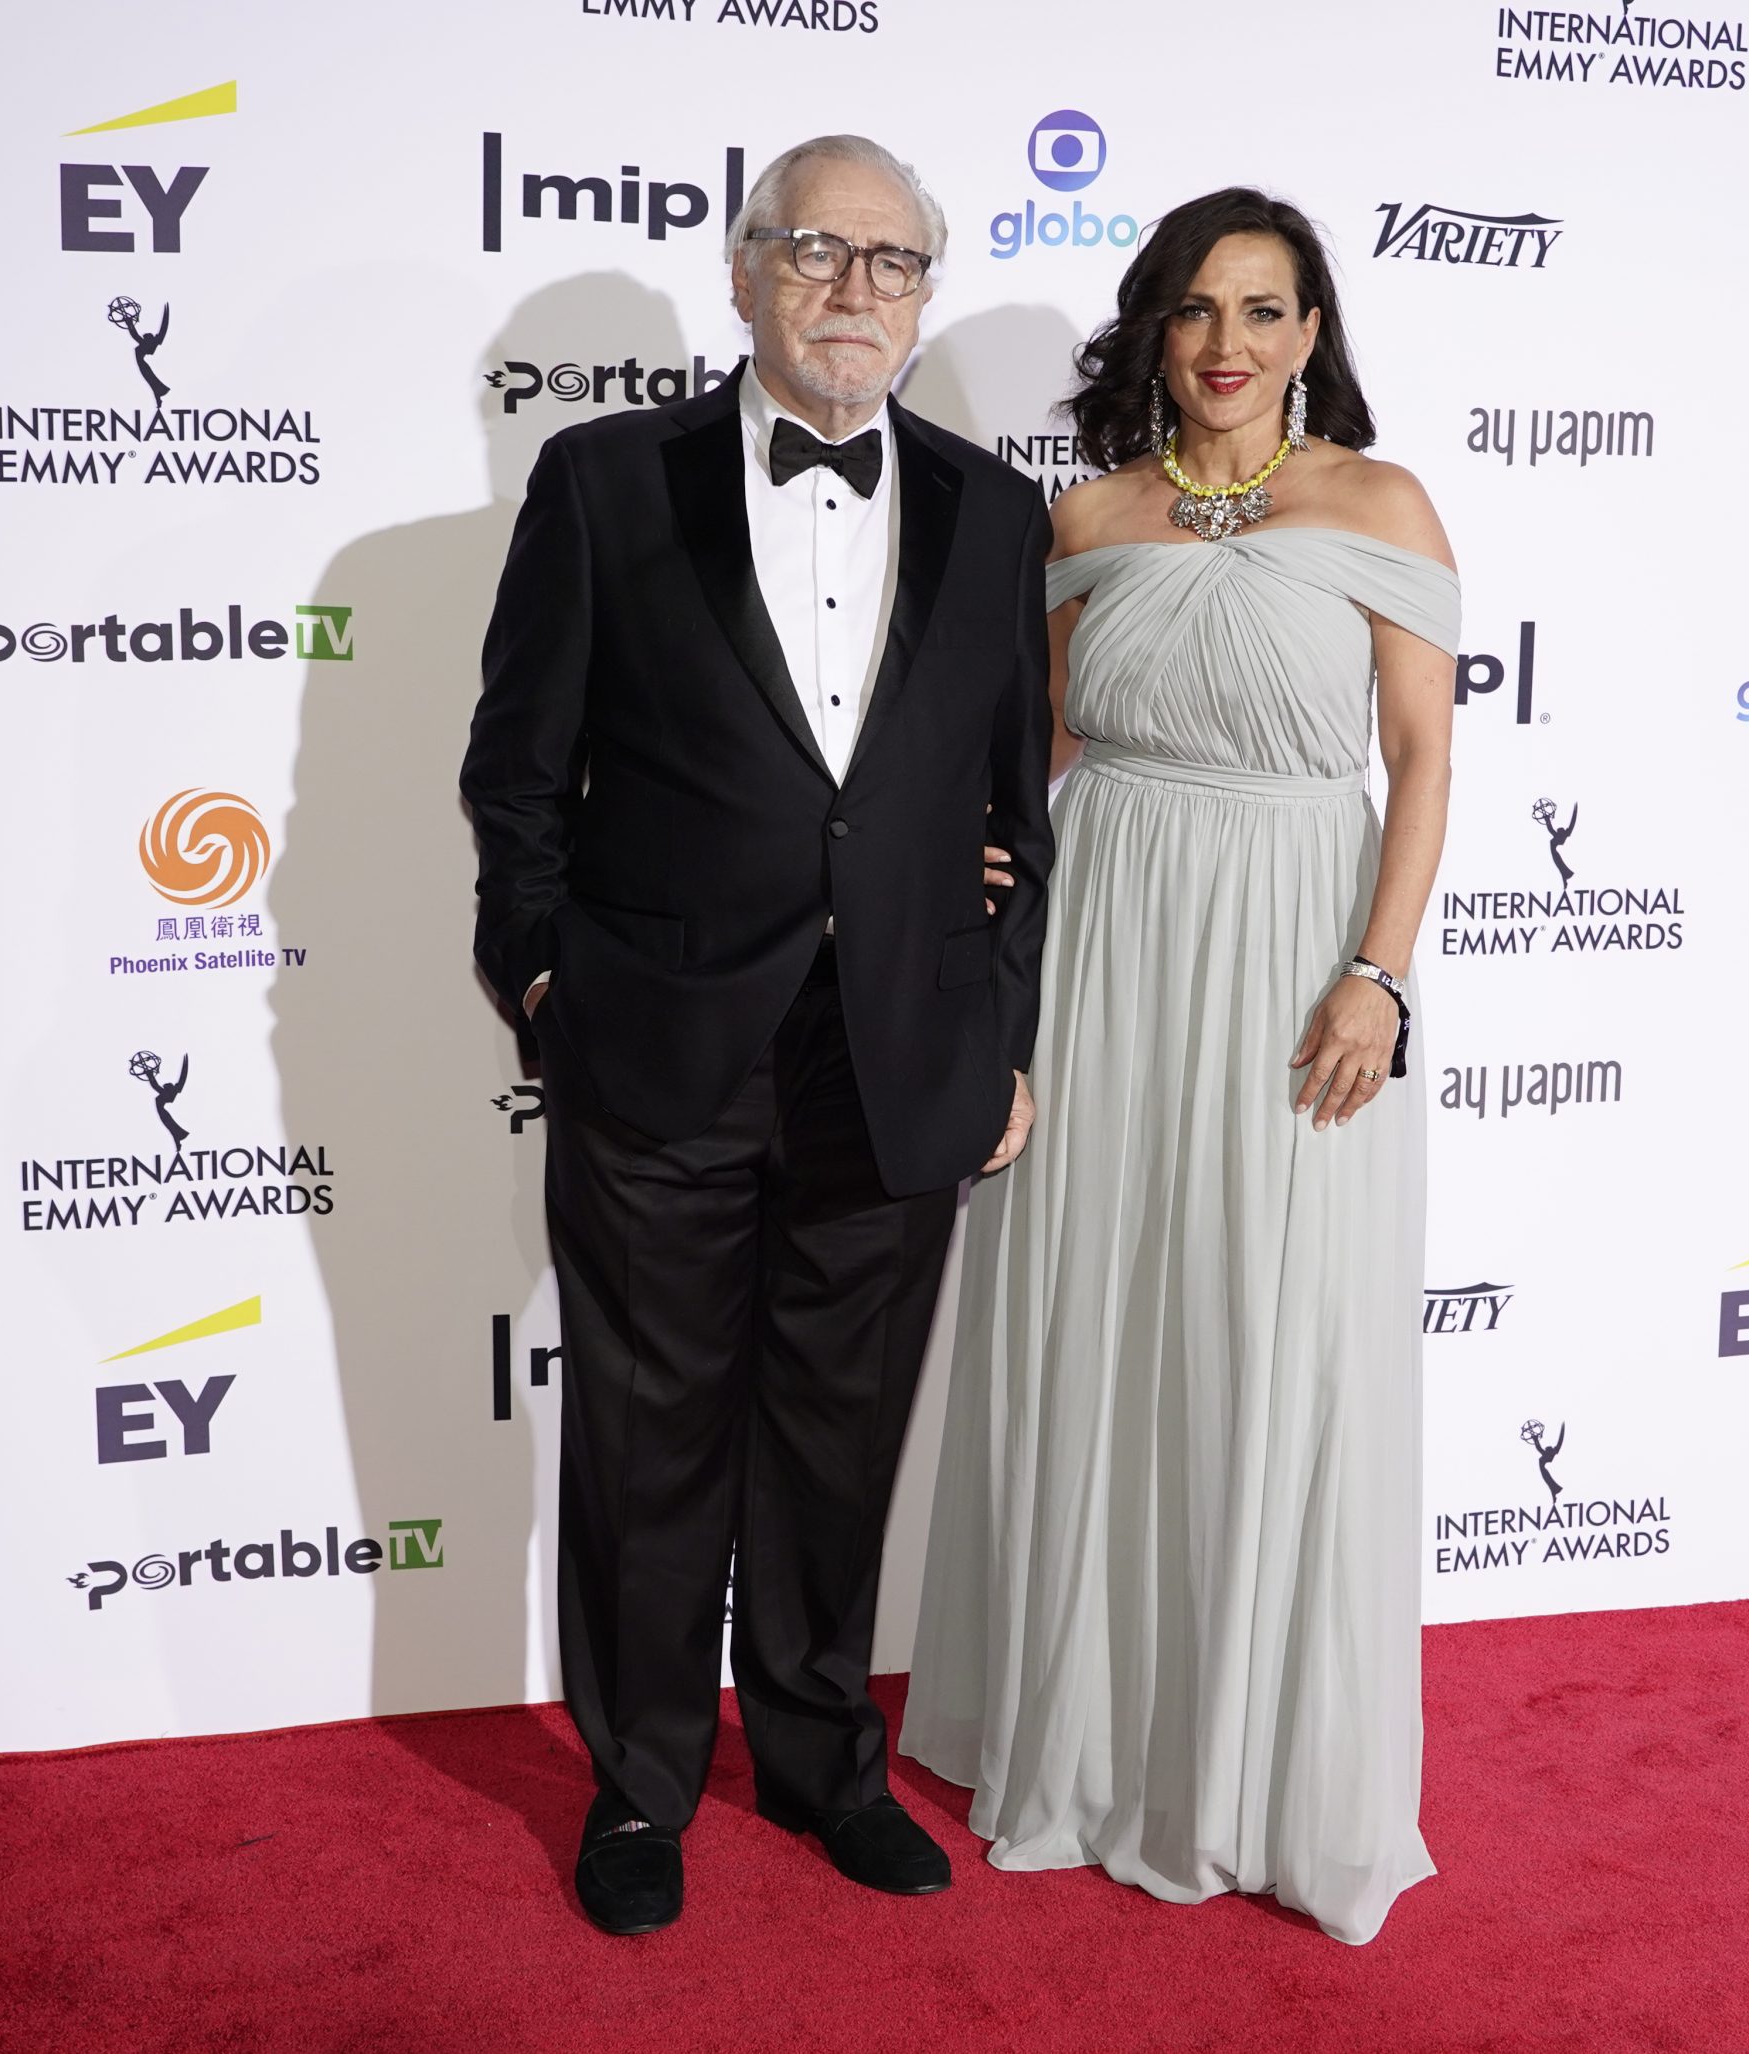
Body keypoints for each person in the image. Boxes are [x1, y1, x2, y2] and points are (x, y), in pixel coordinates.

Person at [458, 133, 1055, 1937]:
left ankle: (817, 1759)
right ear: (742, 274)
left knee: (840, 1436)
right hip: (658, 1040)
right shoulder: (603, 482)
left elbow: (1015, 811)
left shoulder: (995, 512)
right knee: (648, 1439)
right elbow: (516, 775)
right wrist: (545, 983)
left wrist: (998, 1029)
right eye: (814, 250)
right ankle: (640, 1785)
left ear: (924, 293)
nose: (854, 289)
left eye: (892, 261)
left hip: (897, 1055)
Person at [902, 187, 1460, 1946]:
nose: (1230, 343)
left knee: (1274, 1324)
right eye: (1199, 309)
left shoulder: (1380, 504)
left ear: (1312, 335)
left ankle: (1256, 1769)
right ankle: (1089, 1742)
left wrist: (1379, 974)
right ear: (1156, 329)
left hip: (1298, 949)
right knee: (1101, 1315)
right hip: (1108, 947)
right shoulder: (1087, 516)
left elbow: (1423, 758)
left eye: (1264, 310)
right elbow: (1041, 752)